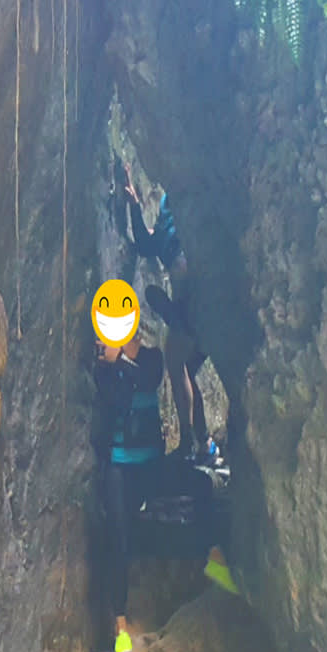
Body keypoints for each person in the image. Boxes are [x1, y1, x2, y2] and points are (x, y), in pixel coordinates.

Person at [119, 174, 212, 463]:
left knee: (176, 358)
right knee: (185, 367)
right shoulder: (168, 212)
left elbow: (150, 242)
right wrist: (134, 204)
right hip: (193, 292)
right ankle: (202, 442)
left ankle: (191, 442)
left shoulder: (180, 205)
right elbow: (146, 243)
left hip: (193, 287)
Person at [92, 327, 167, 652]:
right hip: (119, 465)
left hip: (150, 464)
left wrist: (120, 359)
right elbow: (118, 400)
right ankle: (120, 624)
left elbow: (149, 380)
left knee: (153, 527)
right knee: (119, 539)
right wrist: (112, 363)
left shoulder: (153, 357)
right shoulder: (104, 366)